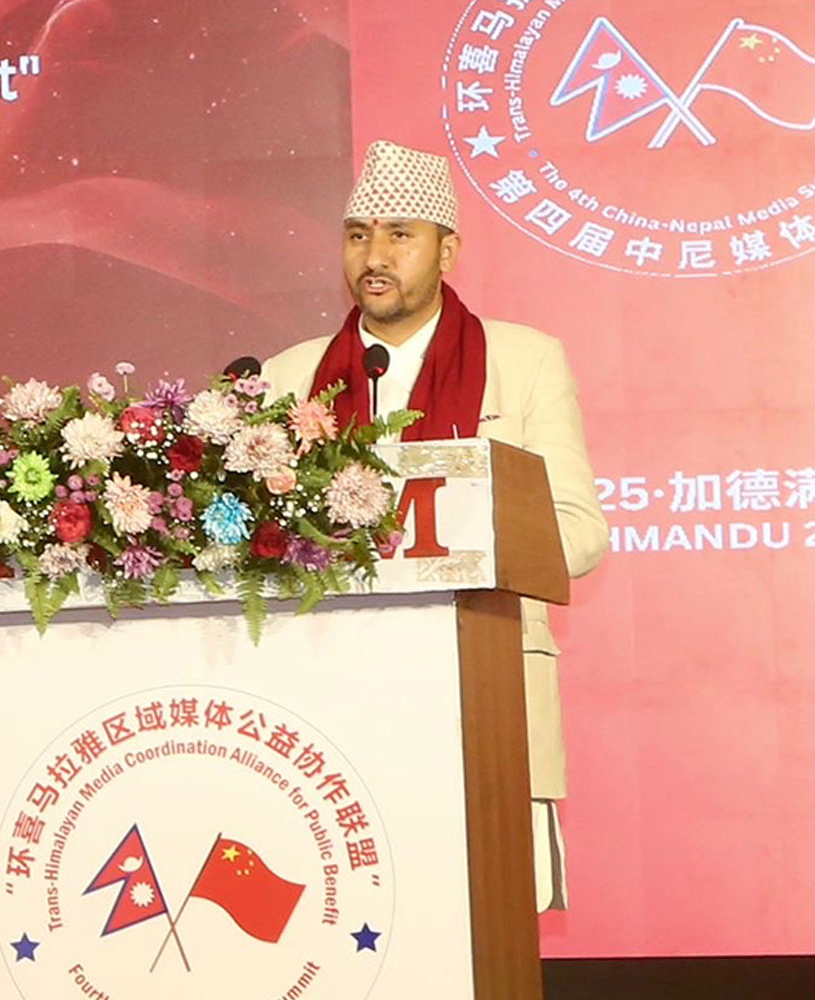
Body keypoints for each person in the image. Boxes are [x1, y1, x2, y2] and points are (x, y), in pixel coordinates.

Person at [262, 140, 610, 911]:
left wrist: (457, 532)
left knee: (487, 923)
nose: (374, 257)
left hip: (484, 689)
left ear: (447, 251)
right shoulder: (286, 378)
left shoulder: (524, 360)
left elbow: (581, 533)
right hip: (328, 702)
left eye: (400, 235)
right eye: (358, 236)